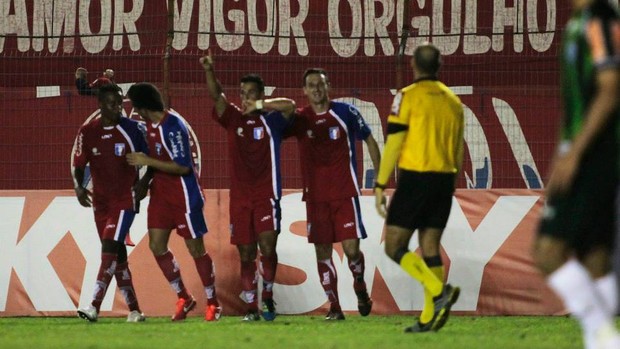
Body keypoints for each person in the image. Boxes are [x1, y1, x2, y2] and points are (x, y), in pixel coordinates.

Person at [532, 1, 620, 348]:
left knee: (547, 251)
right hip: (586, 155)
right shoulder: (578, 23)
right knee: (593, 255)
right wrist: (562, 154)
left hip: (597, 157)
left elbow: (611, 88)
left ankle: (605, 336)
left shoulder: (599, 20)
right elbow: (576, 105)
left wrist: (577, 152)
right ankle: (601, 340)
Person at [199, 51, 295, 321]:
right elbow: (217, 98)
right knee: (246, 253)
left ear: (261, 94)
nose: (245, 97)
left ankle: (268, 299)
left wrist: (261, 105)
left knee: (268, 248)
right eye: (242, 93)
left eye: (251, 93)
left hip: (267, 195)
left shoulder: (272, 121)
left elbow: (290, 105)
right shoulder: (233, 119)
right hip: (240, 199)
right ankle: (252, 306)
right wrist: (209, 71)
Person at [374, 43, 463, 333]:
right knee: (429, 246)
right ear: (440, 65)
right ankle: (428, 319)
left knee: (394, 245)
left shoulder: (406, 97)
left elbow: (395, 142)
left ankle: (439, 291)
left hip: (416, 178)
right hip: (444, 180)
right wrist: (452, 182)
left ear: (413, 64)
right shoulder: (453, 101)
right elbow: (459, 151)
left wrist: (379, 184)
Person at [289, 68, 380, 320]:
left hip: (344, 194)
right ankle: (335, 307)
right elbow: (274, 130)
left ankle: (360, 287)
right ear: (304, 91)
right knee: (322, 252)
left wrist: (380, 180)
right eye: (311, 85)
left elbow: (370, 140)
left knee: (351, 250)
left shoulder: (346, 112)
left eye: (321, 84)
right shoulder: (300, 119)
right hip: (316, 198)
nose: (317, 89)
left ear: (328, 86)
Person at [125, 82, 222, 322]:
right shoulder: (149, 126)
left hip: (184, 196)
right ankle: (184, 297)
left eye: (136, 106)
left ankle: (213, 303)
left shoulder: (174, 126)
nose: (136, 111)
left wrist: (146, 160)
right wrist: (145, 180)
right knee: (157, 245)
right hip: (161, 196)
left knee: (195, 249)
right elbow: (157, 159)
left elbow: (183, 167)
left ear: (143, 106)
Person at [72, 83, 147, 322]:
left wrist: (144, 182)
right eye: (112, 104)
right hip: (101, 203)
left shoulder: (132, 129)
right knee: (118, 257)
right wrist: (78, 185)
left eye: (120, 103)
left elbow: (152, 157)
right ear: (100, 105)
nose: (118, 108)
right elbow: (79, 164)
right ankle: (135, 310)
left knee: (108, 249)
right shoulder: (88, 131)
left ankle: (94, 306)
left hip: (125, 200)